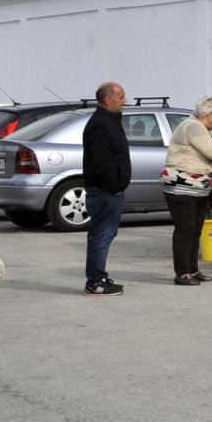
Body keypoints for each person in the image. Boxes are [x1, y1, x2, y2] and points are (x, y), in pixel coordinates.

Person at [160, 96, 212, 286]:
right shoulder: (192, 126)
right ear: (211, 114)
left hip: (198, 187)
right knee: (185, 228)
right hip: (182, 185)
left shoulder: (208, 130)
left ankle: (193, 269)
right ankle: (182, 273)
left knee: (196, 228)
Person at [82, 81, 130, 296]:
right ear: (108, 99)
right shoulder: (101, 124)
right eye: (120, 97)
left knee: (105, 234)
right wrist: (114, 186)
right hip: (104, 191)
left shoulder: (110, 120)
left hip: (109, 190)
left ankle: (98, 275)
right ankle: (95, 281)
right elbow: (101, 162)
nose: (124, 101)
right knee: (100, 235)